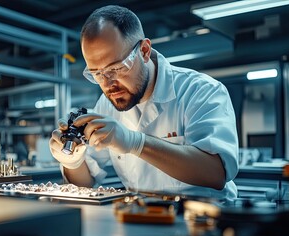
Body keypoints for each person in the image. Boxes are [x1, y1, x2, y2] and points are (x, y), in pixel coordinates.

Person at [49, 5, 239, 200]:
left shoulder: (200, 90)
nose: (107, 84)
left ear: (144, 51)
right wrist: (73, 162)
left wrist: (136, 142)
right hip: (140, 217)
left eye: (116, 68)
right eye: (97, 74)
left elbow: (216, 173)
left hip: (203, 219)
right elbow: (85, 182)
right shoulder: (107, 104)